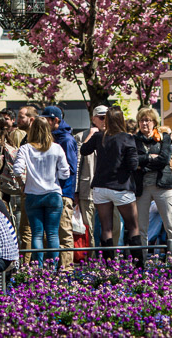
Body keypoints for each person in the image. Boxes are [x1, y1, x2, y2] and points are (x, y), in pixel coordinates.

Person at [80, 106, 142, 264]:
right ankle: (138, 265)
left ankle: (108, 265)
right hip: (121, 187)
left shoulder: (99, 137)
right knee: (133, 226)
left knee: (106, 228)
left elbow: (84, 150)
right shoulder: (127, 138)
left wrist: (93, 133)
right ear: (121, 120)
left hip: (100, 187)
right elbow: (133, 165)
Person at [13, 117, 70, 267]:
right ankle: (54, 267)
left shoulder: (25, 148)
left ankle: (37, 268)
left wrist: (22, 185)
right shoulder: (56, 148)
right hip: (53, 194)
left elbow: (17, 170)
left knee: (36, 234)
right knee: (52, 233)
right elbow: (65, 173)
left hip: (33, 195)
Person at [134, 107, 172, 256]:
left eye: (148, 120)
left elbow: (164, 159)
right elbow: (133, 160)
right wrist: (150, 158)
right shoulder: (134, 140)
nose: (145, 123)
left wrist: (143, 165)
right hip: (142, 187)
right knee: (141, 227)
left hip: (163, 186)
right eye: (142, 120)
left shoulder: (164, 138)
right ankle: (141, 262)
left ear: (154, 122)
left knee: (171, 225)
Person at [41, 105, 78, 269]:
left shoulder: (66, 140)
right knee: (48, 233)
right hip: (50, 192)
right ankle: (51, 268)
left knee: (64, 231)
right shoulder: (51, 137)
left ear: (55, 120)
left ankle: (67, 269)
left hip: (63, 192)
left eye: (46, 119)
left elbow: (71, 169)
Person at [76, 105, 107, 246]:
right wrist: (75, 191)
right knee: (89, 228)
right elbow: (77, 165)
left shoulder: (113, 137)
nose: (104, 121)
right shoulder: (81, 136)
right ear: (93, 119)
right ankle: (91, 260)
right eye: (101, 118)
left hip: (107, 189)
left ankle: (113, 258)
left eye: (107, 117)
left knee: (110, 227)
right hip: (87, 188)